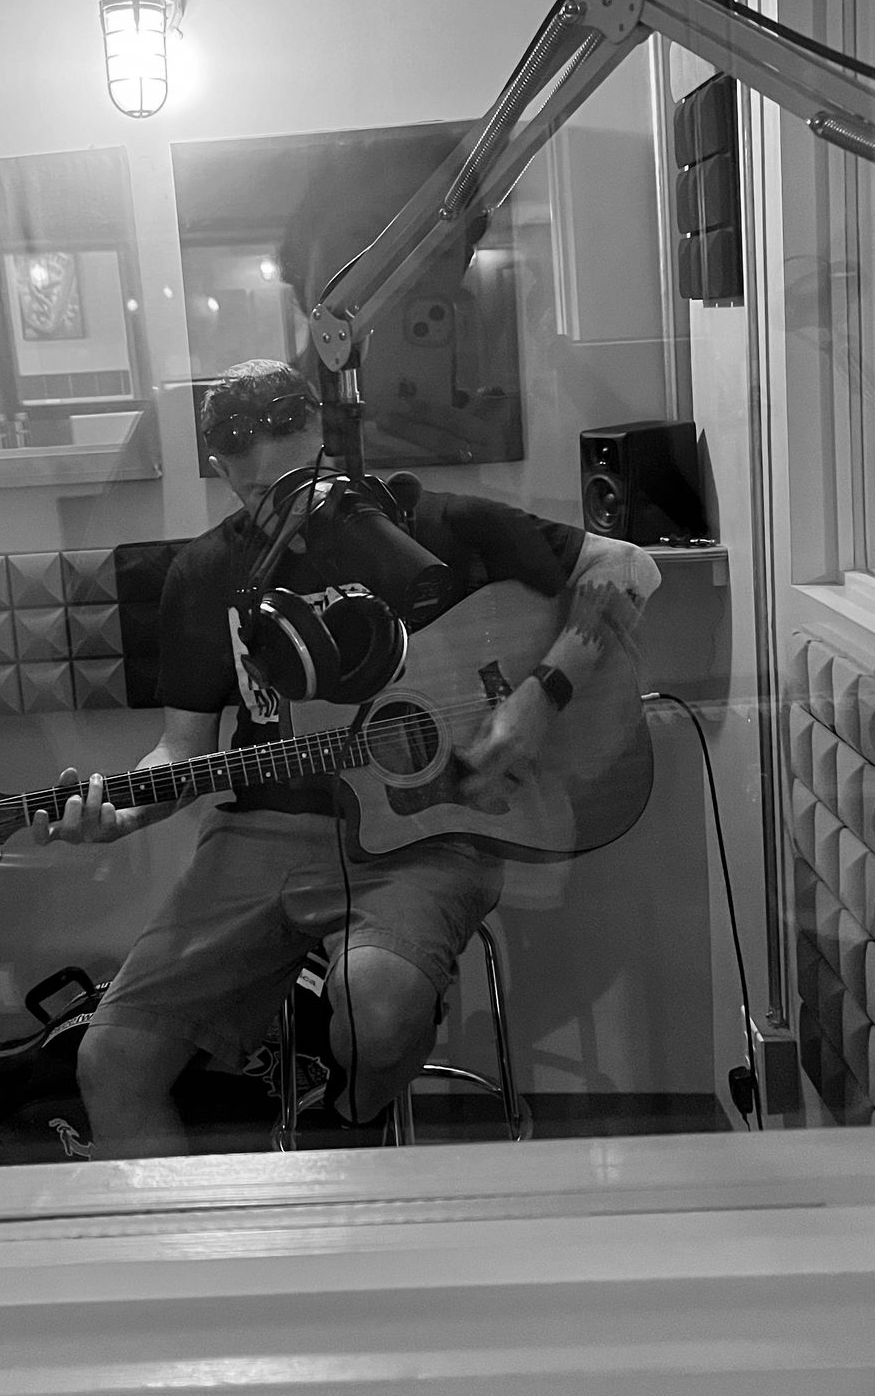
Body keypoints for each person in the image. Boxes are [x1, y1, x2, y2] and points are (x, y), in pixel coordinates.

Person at [32, 358, 660, 1158]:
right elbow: (180, 752)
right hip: (260, 838)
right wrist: (121, 814)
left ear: (328, 438)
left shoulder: (429, 523)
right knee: (111, 1060)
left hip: (428, 835)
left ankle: (347, 1125)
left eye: (300, 485)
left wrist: (538, 699)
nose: (286, 514)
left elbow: (627, 565)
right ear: (220, 471)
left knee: (377, 1009)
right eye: (260, 496)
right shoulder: (205, 573)